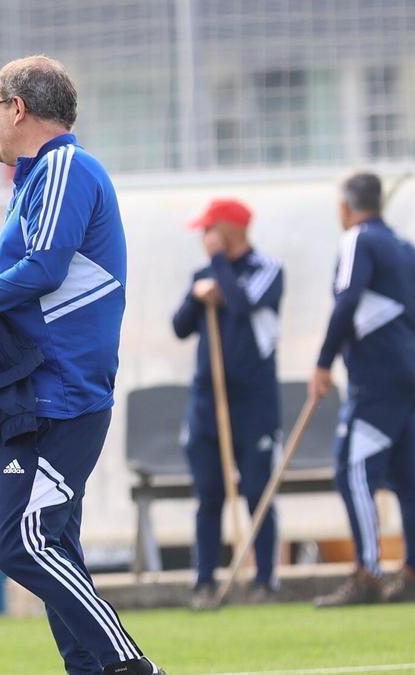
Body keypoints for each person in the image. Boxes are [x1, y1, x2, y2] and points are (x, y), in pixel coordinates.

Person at [0, 55, 162, 675]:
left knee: (21, 543)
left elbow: (41, 269)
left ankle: (129, 664)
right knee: (52, 544)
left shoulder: (68, 166)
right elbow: (38, 283)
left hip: (61, 394)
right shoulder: (40, 178)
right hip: (37, 390)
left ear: (18, 109)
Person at [311, 173, 415, 607]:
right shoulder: (404, 247)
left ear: (345, 207)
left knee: (352, 471)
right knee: (408, 479)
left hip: (378, 380)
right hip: (408, 374)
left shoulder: (358, 240)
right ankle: (414, 573)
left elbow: (347, 299)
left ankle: (368, 573)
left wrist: (323, 362)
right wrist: (403, 332)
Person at [172, 198, 284, 609]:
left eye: (209, 229)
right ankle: (204, 582)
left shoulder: (266, 270)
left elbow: (241, 305)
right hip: (207, 402)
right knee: (209, 494)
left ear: (229, 230)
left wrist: (219, 268)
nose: (204, 238)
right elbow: (180, 327)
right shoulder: (203, 276)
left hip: (254, 404)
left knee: (258, 491)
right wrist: (197, 295)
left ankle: (265, 580)